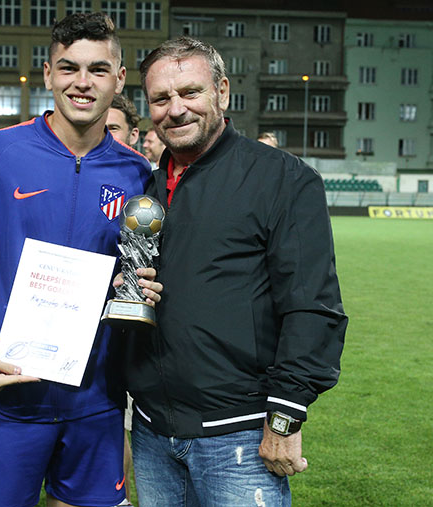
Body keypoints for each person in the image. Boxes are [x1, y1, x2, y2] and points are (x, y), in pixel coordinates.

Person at [0, 13, 158, 507]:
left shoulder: (137, 174)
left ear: (119, 79)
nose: (82, 82)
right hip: (8, 396)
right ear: (47, 73)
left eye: (98, 69)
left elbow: (138, 277)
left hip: (96, 402)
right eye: (68, 67)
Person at [125, 37, 348, 506]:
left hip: (238, 437)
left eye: (190, 92)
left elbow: (312, 306)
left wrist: (285, 418)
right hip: (151, 432)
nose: (176, 109)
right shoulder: (144, 188)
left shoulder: (282, 178)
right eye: (161, 99)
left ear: (222, 92)